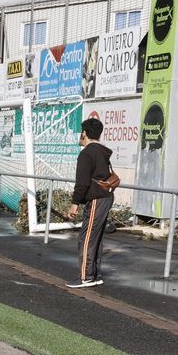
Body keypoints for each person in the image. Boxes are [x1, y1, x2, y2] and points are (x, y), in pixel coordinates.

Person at [66, 118, 114, 288]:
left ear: (84, 133)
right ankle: (94, 274)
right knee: (96, 238)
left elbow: (82, 183)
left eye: (81, 132)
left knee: (86, 238)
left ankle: (86, 277)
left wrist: (74, 203)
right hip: (106, 197)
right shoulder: (102, 152)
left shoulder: (86, 153)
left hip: (96, 198)